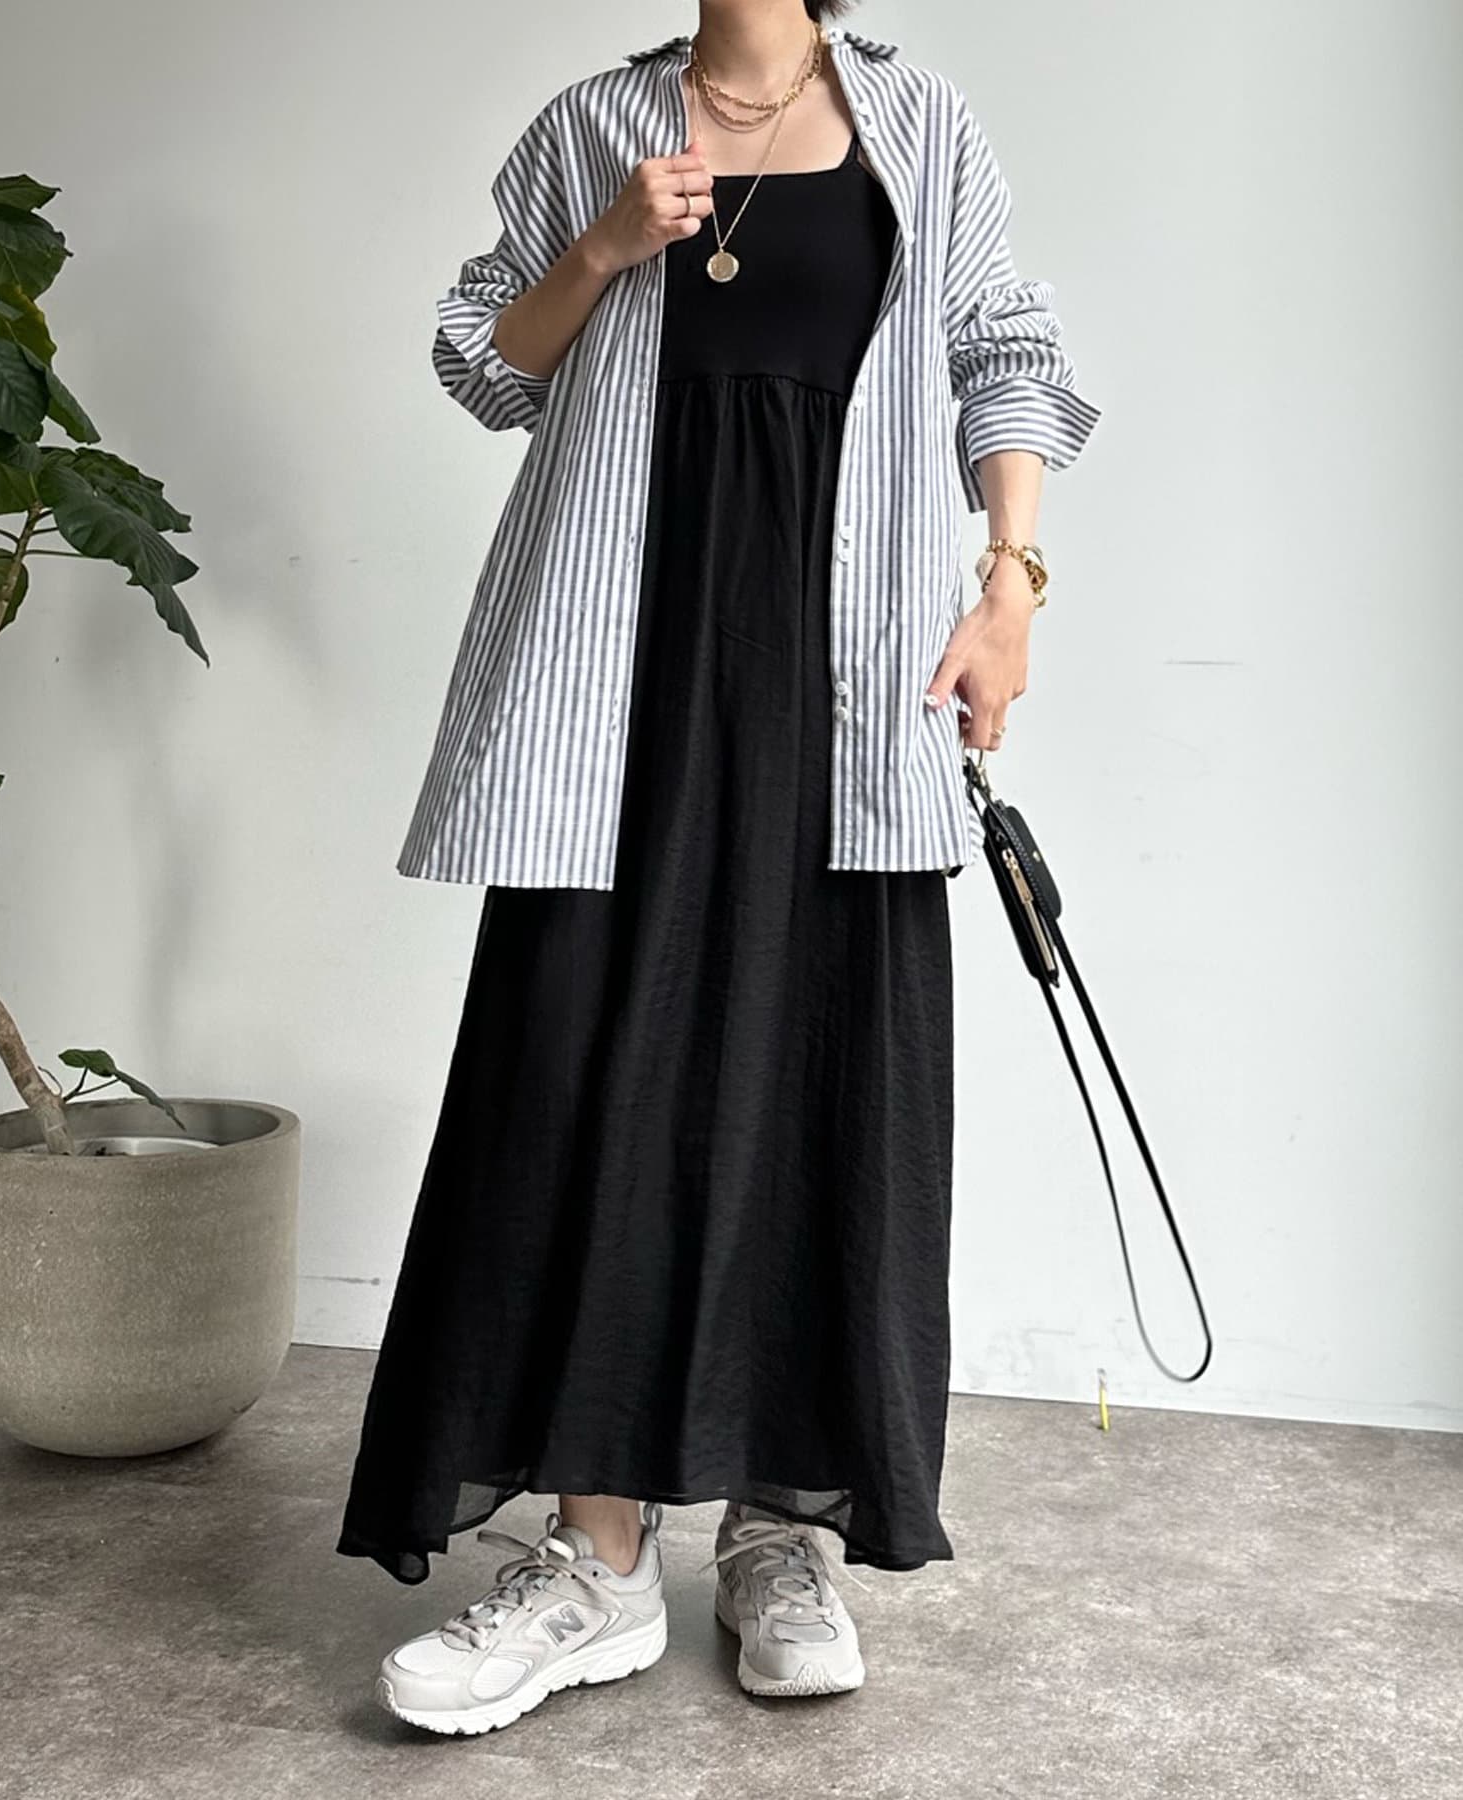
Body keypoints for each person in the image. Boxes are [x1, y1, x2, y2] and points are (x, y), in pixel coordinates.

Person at [338, 0, 1101, 1736]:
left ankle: (786, 1529)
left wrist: (1011, 586)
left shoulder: (922, 125)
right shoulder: (591, 125)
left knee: (825, 1077)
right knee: (578, 1073)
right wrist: (605, 245)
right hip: (618, 666)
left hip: (852, 673)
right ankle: (597, 1556)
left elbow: (1008, 349)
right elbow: (488, 364)